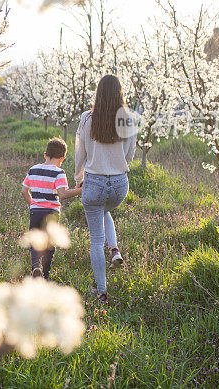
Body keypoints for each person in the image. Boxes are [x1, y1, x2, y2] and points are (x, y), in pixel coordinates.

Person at [74, 74, 136, 302]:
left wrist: (77, 176)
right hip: (119, 184)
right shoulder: (128, 119)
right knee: (105, 211)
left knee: (95, 239)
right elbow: (130, 154)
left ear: (98, 93)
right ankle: (115, 250)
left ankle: (101, 291)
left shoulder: (86, 118)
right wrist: (117, 164)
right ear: (120, 92)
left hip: (94, 182)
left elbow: (80, 152)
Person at [20, 137, 82, 280]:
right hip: (52, 213)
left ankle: (36, 265)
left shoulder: (33, 169)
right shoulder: (59, 173)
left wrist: (33, 204)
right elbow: (63, 194)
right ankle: (45, 276)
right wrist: (80, 191)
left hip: (35, 211)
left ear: (45, 154)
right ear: (63, 158)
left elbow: (24, 191)